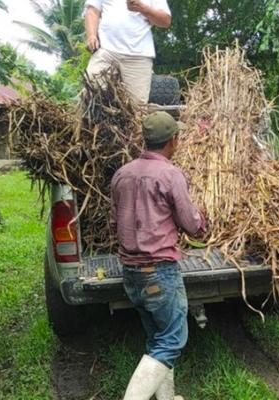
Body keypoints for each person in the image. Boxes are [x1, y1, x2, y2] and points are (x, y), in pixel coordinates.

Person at [110, 111, 205, 400]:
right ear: (173, 140)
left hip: (131, 271)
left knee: (157, 338)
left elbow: (114, 222)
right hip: (159, 272)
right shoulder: (170, 174)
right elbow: (191, 224)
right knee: (173, 340)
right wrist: (202, 223)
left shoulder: (122, 173)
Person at [84, 0, 172, 103]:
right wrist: (91, 35)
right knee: (90, 91)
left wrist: (142, 8)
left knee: (137, 108)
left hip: (139, 55)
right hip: (106, 50)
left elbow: (165, 21)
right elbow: (92, 11)